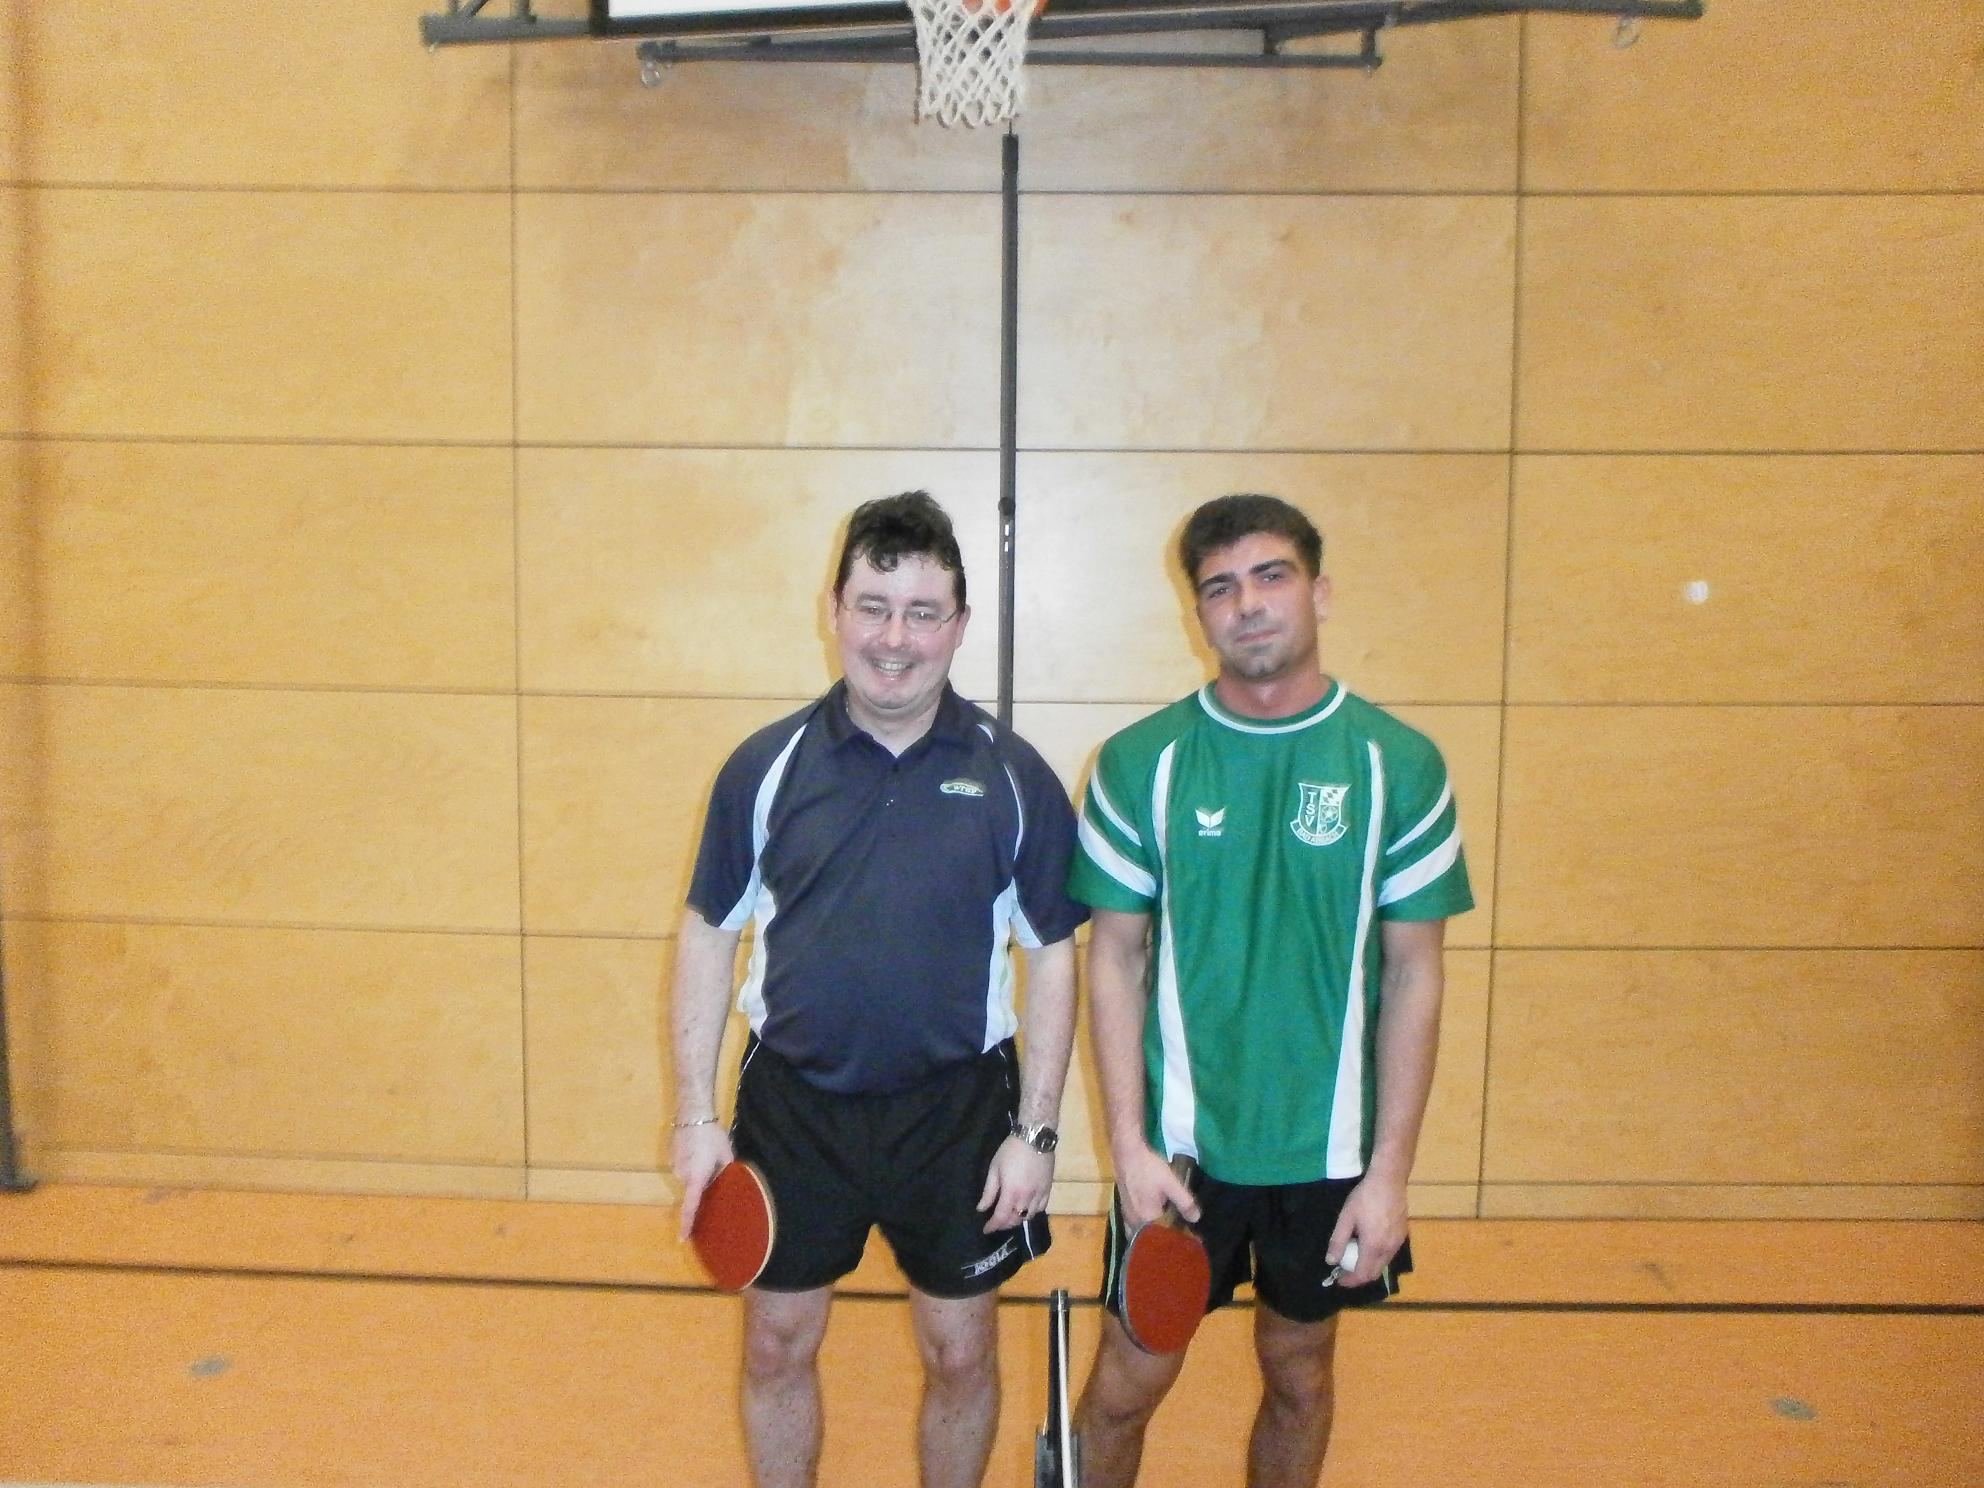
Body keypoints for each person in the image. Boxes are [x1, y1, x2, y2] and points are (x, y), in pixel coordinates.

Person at [670, 491, 1087, 1488]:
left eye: (922, 613)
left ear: (960, 625)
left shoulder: (1015, 778)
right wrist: (694, 1117)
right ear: (834, 610)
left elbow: (1056, 955)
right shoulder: (764, 768)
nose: (894, 640)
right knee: (776, 1345)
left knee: (961, 1354)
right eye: (873, 607)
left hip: (956, 1115)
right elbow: (707, 933)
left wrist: (1035, 1134)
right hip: (794, 1108)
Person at [1069, 493, 1473, 1488]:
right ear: (1197, 614)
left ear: (1319, 592)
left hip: (1328, 1157)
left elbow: (1414, 973)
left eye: (1270, 576)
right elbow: (1112, 959)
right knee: (1125, 1385)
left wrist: (1389, 1175)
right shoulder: (1140, 764)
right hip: (1182, 1157)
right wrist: (1127, 1147)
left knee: (1299, 1374)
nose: (1247, 604)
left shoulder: (1400, 765)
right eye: (1220, 588)